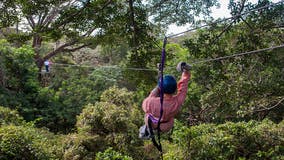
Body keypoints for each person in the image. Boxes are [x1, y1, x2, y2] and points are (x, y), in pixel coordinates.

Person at [139, 62, 191, 139]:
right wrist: (185, 71)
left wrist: (160, 84)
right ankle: (152, 130)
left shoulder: (149, 102)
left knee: (148, 112)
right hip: (166, 126)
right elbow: (183, 87)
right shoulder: (177, 102)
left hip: (151, 123)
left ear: (161, 89)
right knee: (156, 109)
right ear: (174, 90)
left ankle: (148, 129)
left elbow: (152, 96)